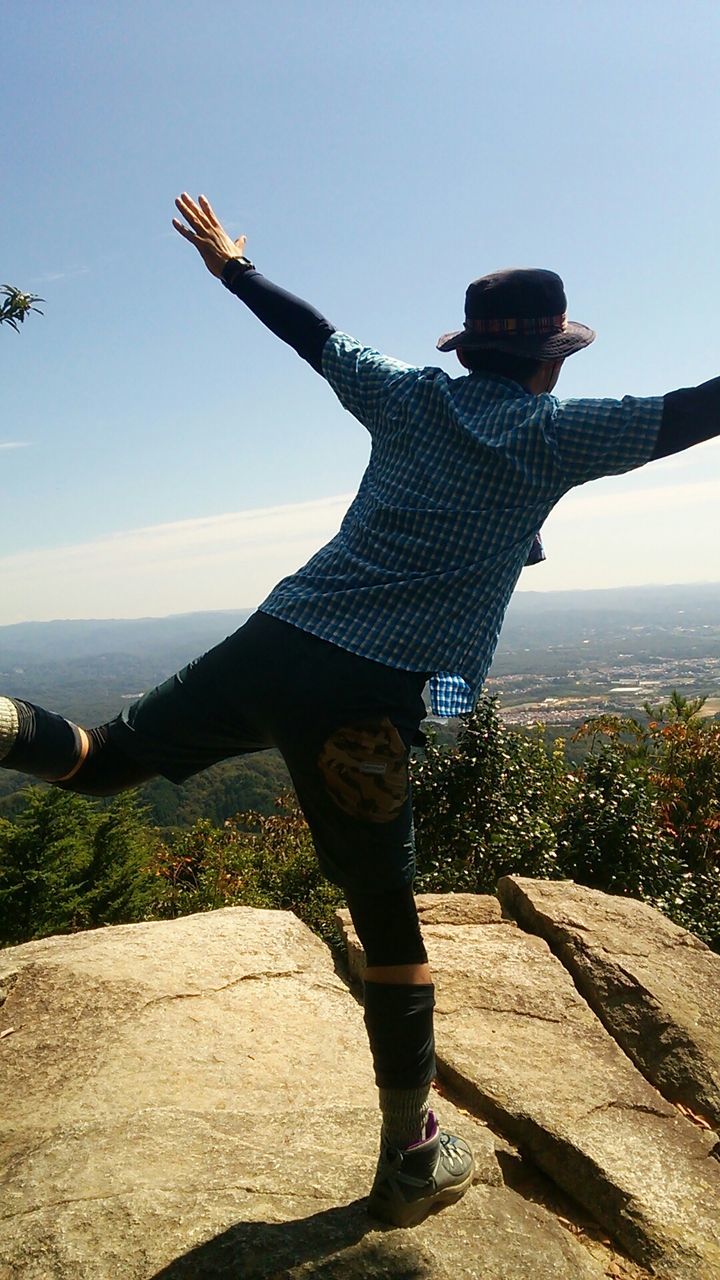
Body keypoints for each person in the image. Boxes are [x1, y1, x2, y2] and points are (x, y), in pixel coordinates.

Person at [1, 194, 718, 1228]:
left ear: (470, 347)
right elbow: (702, 405)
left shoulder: (407, 396)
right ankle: (412, 1156)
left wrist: (236, 269)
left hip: (274, 641)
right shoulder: (563, 435)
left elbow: (316, 336)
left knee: (104, 759)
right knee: (388, 925)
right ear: (554, 358)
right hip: (366, 705)